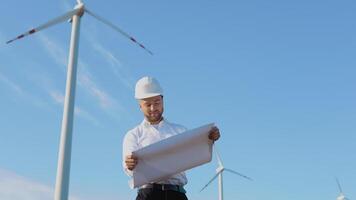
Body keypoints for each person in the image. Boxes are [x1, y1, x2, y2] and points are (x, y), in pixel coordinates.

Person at [122, 76, 220, 200]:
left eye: (157, 103)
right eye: (148, 104)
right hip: (148, 195)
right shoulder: (133, 135)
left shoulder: (180, 131)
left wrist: (209, 139)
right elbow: (129, 170)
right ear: (140, 106)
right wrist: (130, 165)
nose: (153, 108)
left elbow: (195, 154)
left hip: (177, 195)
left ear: (163, 101)